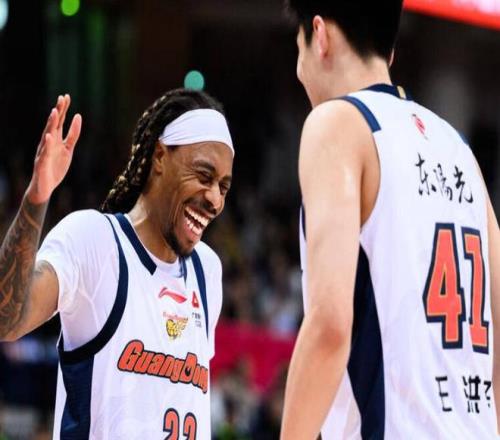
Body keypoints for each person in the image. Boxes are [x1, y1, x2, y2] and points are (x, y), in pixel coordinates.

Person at [280, 1, 500, 438]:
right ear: (390, 52)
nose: (300, 70)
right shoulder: (459, 149)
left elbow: (329, 327)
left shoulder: (337, 124)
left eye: (298, 49)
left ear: (319, 35)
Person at [0, 88, 234, 439]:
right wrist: (37, 196)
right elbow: (6, 320)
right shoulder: (96, 241)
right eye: (203, 176)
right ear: (159, 157)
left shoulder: (207, 271)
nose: (215, 198)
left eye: (223, 187)